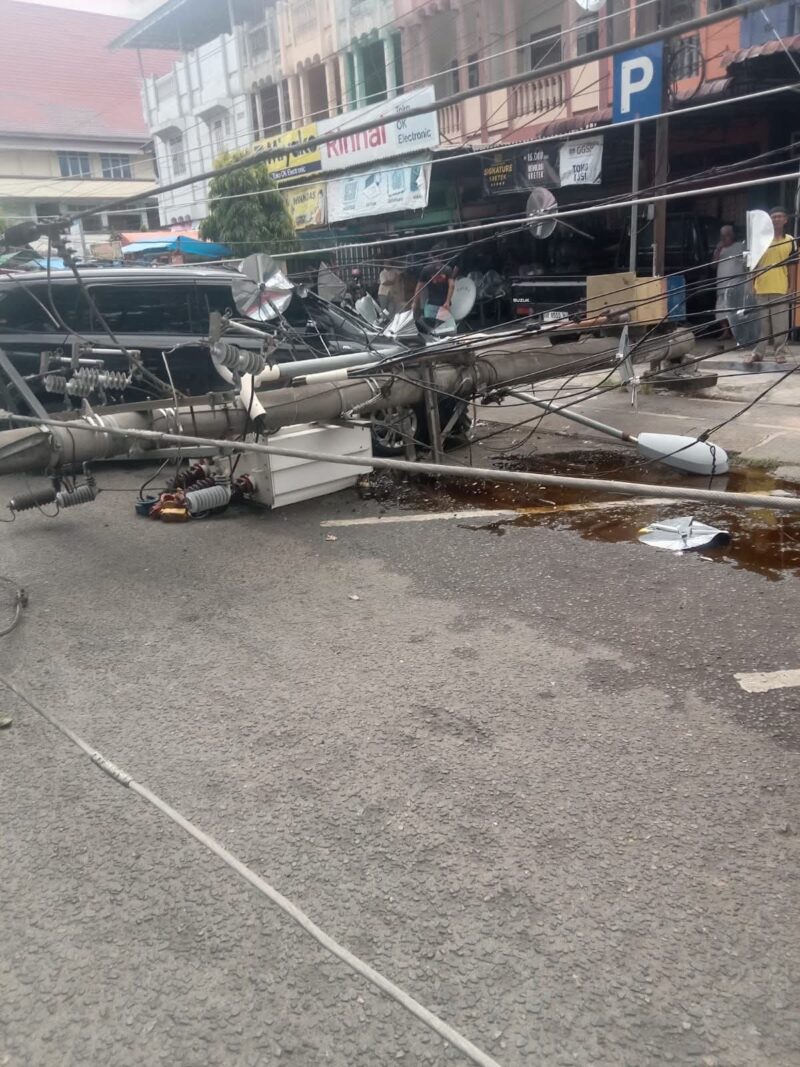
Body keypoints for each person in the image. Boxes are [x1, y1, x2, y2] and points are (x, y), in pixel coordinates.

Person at [748, 206, 796, 364]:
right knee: (762, 325)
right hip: (761, 287)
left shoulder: (790, 241)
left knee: (780, 324)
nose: (776, 219)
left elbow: (793, 265)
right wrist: (751, 283)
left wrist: (792, 286)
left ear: (785, 220)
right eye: (773, 217)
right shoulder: (761, 240)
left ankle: (779, 353)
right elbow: (753, 263)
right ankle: (758, 353)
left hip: (780, 287)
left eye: (779, 216)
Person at [713, 224, 745, 341]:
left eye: (727, 235)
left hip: (736, 285)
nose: (725, 238)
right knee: (721, 310)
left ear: (733, 235)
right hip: (721, 284)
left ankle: (737, 333)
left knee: (736, 309)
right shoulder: (720, 249)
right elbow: (713, 265)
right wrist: (717, 250)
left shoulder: (740, 246)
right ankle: (726, 332)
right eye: (723, 236)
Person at [413, 249, 454, 323]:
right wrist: (447, 301)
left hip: (431, 304)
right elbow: (452, 285)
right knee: (445, 328)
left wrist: (415, 302)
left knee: (431, 328)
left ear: (431, 256)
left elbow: (419, 287)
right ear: (442, 256)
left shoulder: (426, 270)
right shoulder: (447, 269)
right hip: (444, 305)